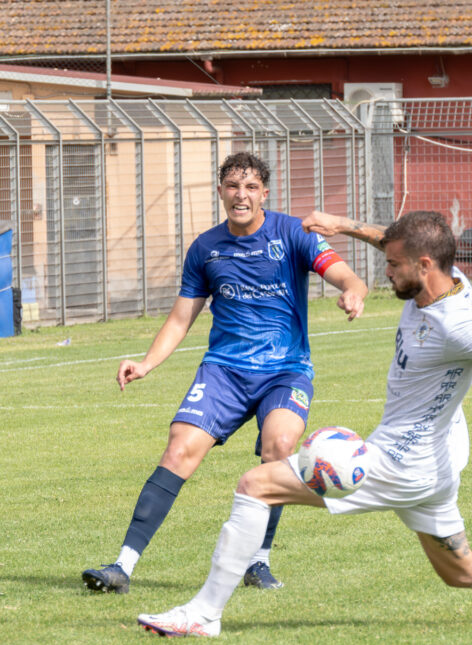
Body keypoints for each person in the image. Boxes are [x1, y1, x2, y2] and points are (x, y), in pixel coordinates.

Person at [136, 210, 472, 637]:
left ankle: (204, 614)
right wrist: (340, 223)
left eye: (393, 265)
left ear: (424, 266)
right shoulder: (443, 276)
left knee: (255, 485)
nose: (385, 271)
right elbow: (391, 237)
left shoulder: (460, 325)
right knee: (462, 571)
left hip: (399, 464)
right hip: (435, 464)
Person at [82, 153, 369, 594]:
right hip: (225, 372)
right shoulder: (205, 248)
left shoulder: (293, 234)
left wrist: (353, 293)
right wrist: (145, 363)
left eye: (251, 187)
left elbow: (348, 277)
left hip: (285, 371)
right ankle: (122, 566)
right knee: (178, 450)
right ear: (221, 192)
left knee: (280, 446)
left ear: (264, 194)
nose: (242, 195)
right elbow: (181, 319)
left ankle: (258, 560)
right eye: (233, 186)